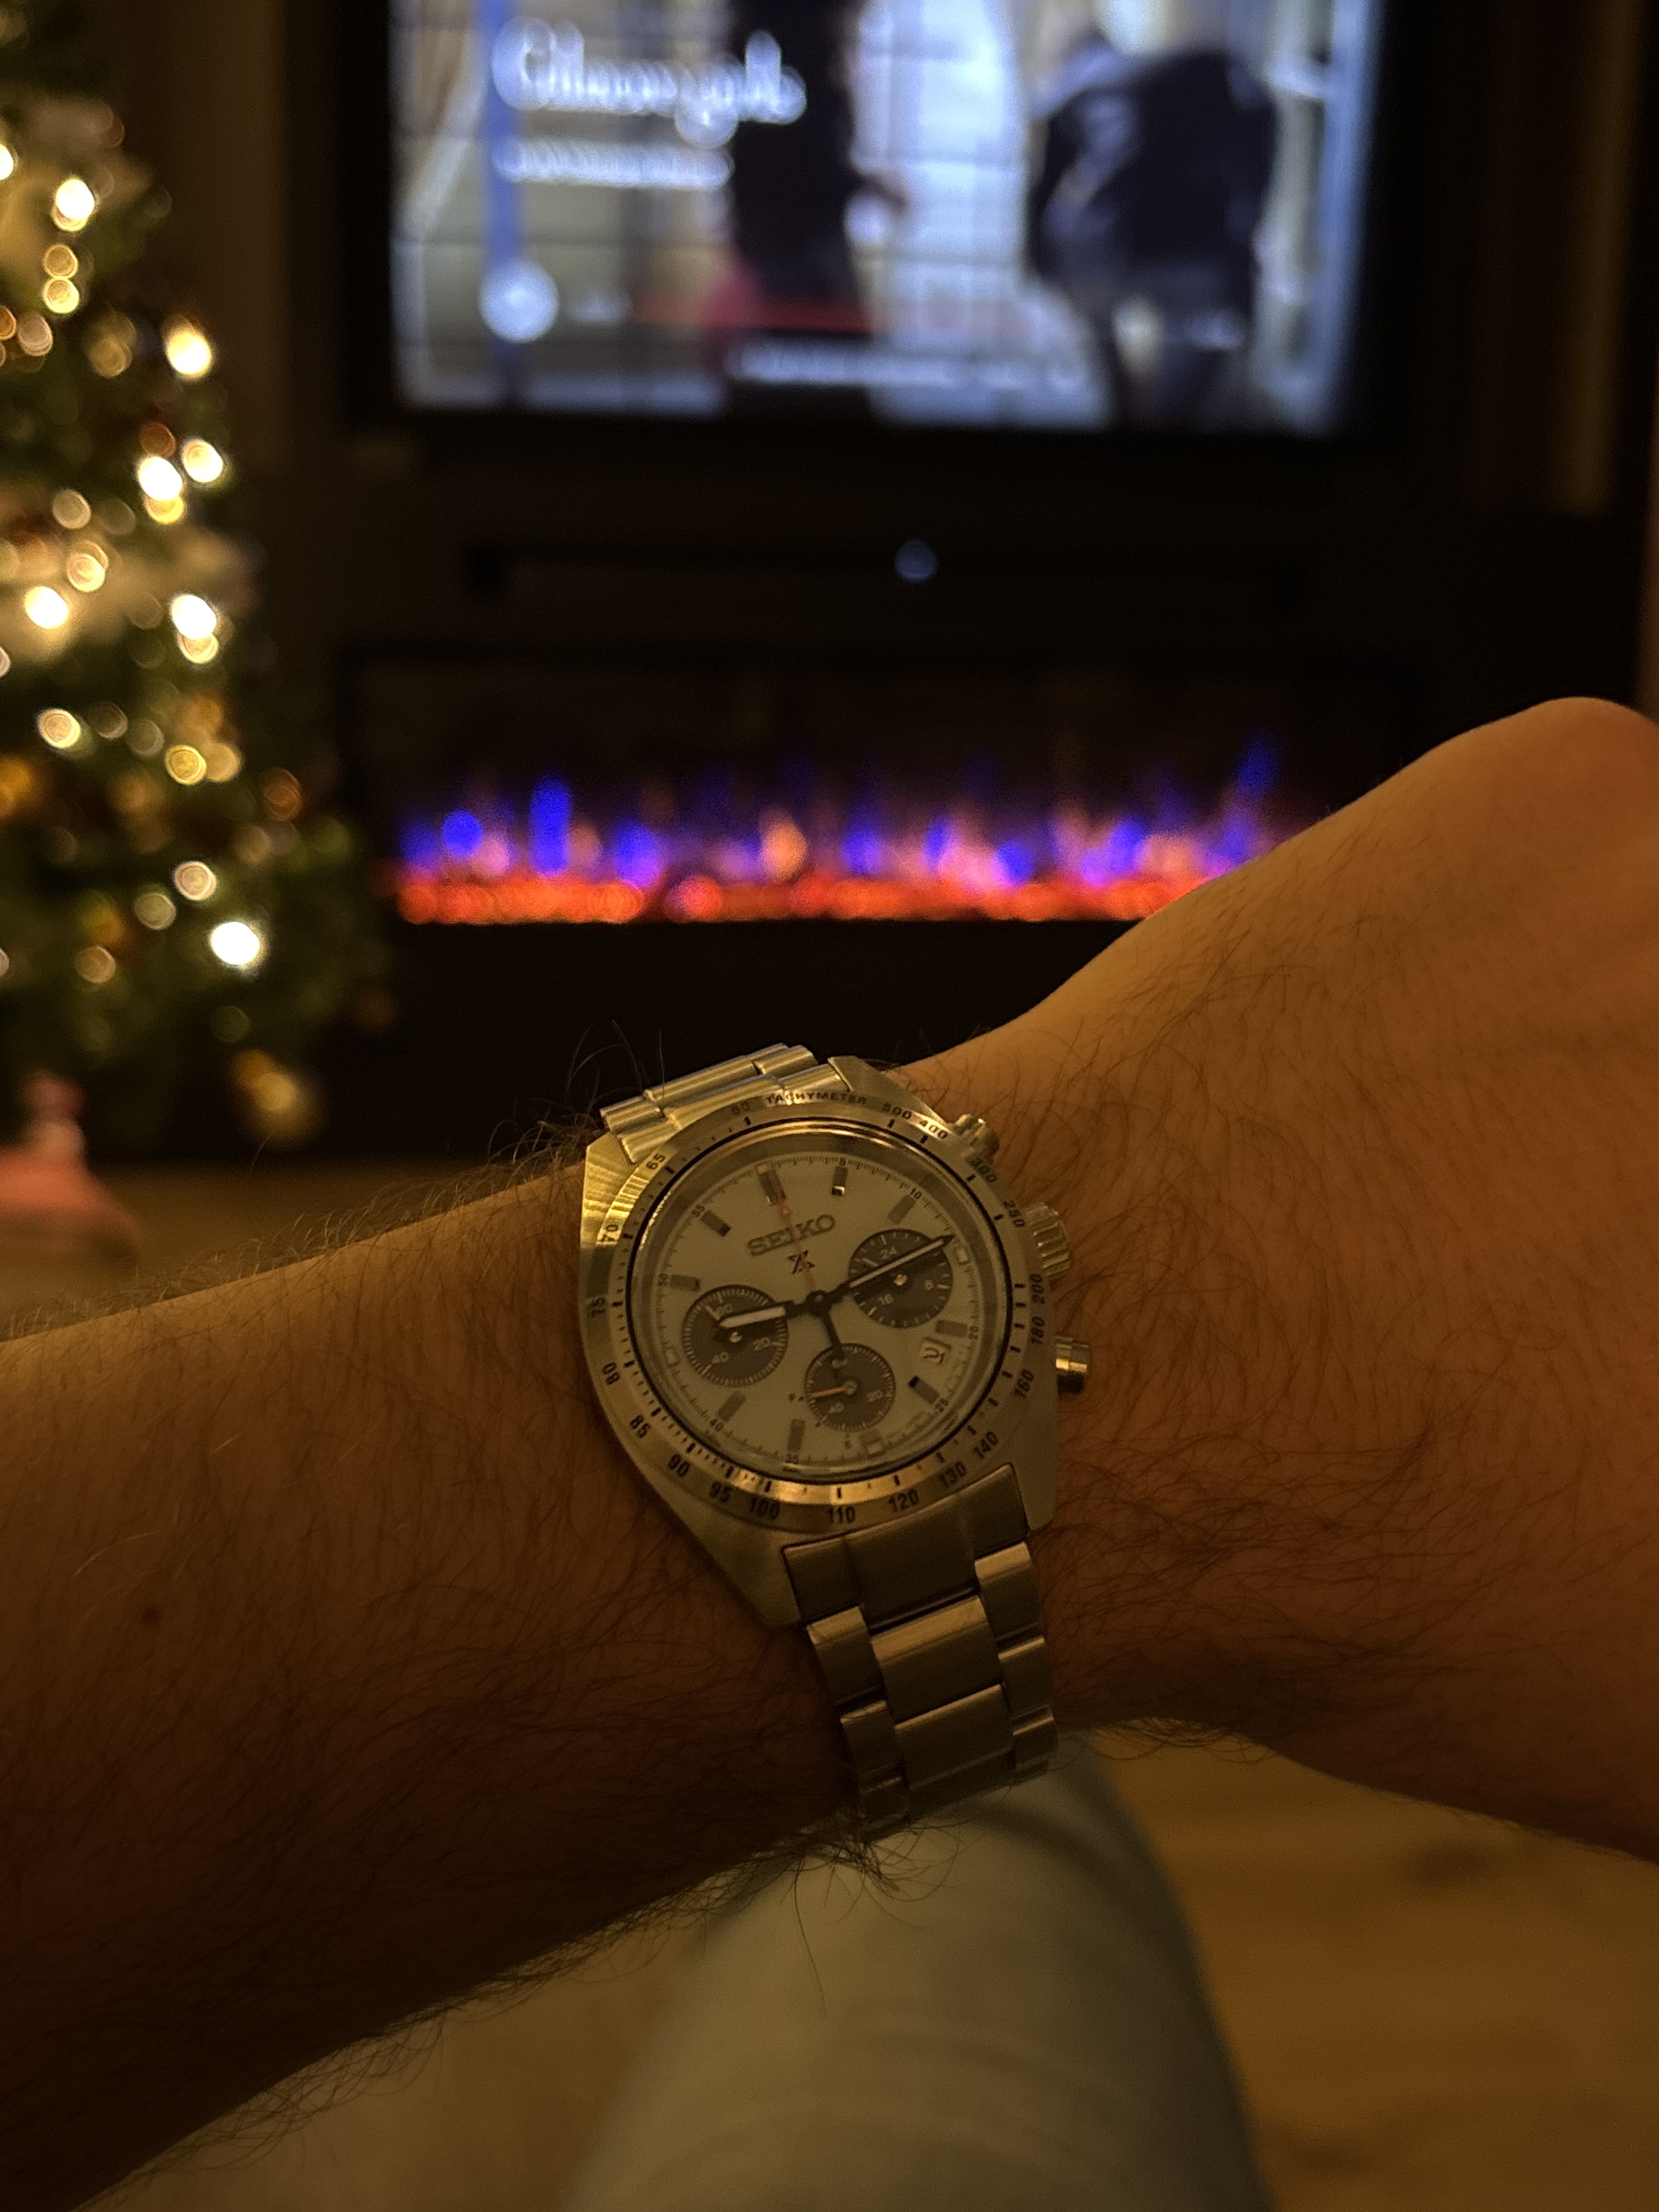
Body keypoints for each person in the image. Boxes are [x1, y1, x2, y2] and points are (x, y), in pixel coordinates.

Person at [6, 695, 1659, 2212]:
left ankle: (965, 1773)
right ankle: (978, 1777)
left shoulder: (949, 1275)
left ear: (1016, 1260)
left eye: (892, 1272)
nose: (815, 1310)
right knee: (1000, 1820)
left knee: (972, 1810)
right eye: (759, 1319)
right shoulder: (669, 1325)